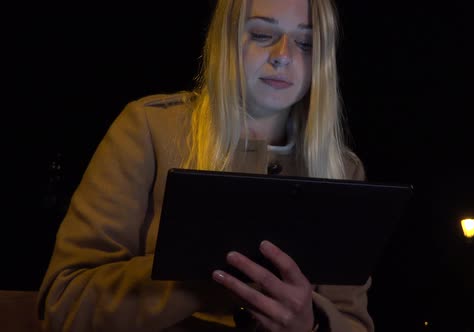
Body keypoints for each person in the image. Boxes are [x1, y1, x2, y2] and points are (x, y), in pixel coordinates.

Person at [37, 0, 374, 331]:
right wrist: (206, 272)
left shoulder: (342, 170)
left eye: (306, 42)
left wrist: (312, 323)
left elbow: (354, 320)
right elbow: (65, 304)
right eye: (260, 34)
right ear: (226, 38)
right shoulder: (149, 130)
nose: (283, 55)